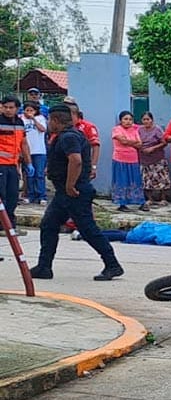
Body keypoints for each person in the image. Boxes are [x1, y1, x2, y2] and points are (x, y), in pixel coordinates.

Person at [29, 104, 124, 281]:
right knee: (49, 225)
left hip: (74, 191)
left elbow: (76, 160)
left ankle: (112, 265)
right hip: (64, 192)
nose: (48, 123)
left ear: (56, 120)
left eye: (50, 120)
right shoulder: (67, 135)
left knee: (87, 229)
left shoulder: (69, 137)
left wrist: (70, 185)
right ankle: (44, 267)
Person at [0, 96, 34, 230]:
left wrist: (29, 162)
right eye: (5, 107)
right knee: (1, 195)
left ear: (17, 109)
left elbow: (23, 143)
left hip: (13, 165)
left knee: (13, 195)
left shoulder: (20, 123)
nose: (8, 110)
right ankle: (2, 225)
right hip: (1, 164)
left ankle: (10, 224)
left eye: (11, 107)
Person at [111, 111, 147, 212]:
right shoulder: (116, 129)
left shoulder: (134, 130)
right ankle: (122, 204)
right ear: (121, 120)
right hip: (120, 159)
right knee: (122, 181)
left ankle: (140, 202)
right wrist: (133, 143)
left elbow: (139, 144)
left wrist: (128, 142)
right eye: (125, 119)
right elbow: (123, 141)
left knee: (136, 181)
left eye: (130, 119)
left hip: (133, 159)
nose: (128, 121)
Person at [138, 112, 171, 207]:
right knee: (146, 179)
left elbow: (164, 142)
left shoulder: (157, 130)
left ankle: (163, 198)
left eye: (148, 119)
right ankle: (149, 199)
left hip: (157, 158)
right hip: (144, 159)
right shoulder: (139, 130)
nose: (146, 121)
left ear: (152, 120)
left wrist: (153, 148)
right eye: (144, 119)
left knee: (161, 178)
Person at [63, 102, 100, 181]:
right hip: (64, 166)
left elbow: (95, 147)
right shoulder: (62, 127)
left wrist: (93, 166)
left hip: (83, 167)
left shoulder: (88, 126)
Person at [21, 100, 48, 205]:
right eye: (27, 110)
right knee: (29, 174)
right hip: (27, 151)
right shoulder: (21, 119)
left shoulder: (40, 118)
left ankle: (42, 196)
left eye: (31, 110)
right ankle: (30, 195)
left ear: (35, 111)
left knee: (39, 174)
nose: (29, 112)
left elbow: (43, 129)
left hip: (39, 150)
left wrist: (33, 119)